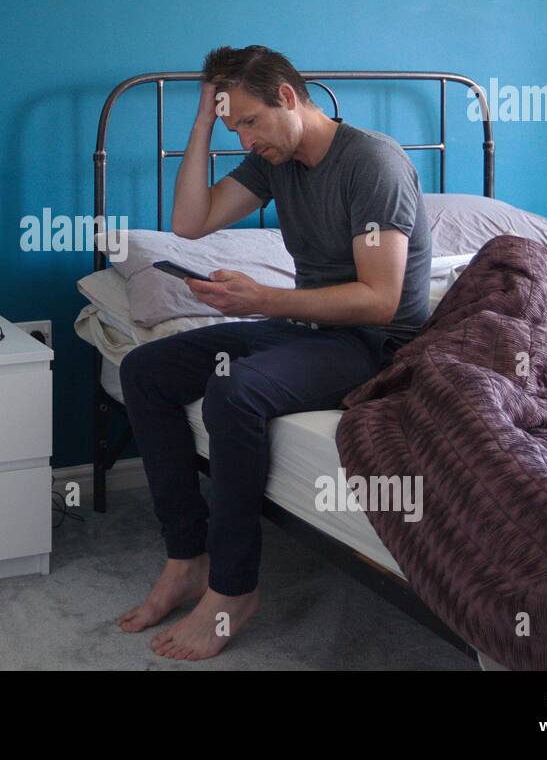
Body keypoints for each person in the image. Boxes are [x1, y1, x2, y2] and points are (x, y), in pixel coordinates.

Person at [116, 45, 432, 660]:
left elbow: (381, 301)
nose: (244, 140)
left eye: (249, 122)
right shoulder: (275, 159)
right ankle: (188, 556)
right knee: (146, 369)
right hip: (307, 326)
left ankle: (234, 589)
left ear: (288, 97)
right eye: (232, 127)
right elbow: (190, 222)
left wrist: (265, 297)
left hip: (376, 344)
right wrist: (206, 120)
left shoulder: (372, 163)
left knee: (234, 391)